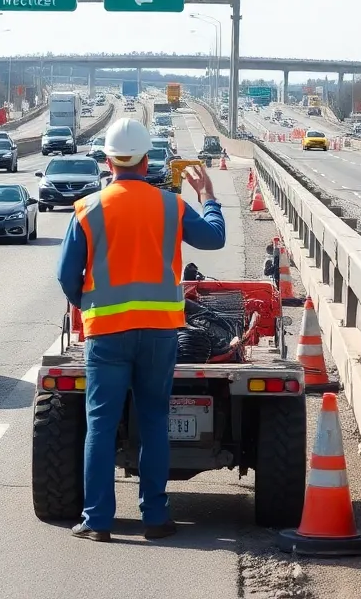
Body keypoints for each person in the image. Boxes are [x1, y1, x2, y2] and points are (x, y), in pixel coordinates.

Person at [56, 118, 226, 542]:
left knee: (101, 424)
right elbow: (215, 239)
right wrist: (208, 197)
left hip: (107, 336)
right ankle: (155, 517)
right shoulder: (171, 206)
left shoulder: (88, 209)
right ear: (147, 160)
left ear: (108, 161)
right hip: (159, 333)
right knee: (153, 422)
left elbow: (66, 275)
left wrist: (88, 306)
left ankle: (97, 521)